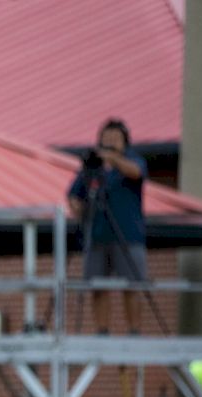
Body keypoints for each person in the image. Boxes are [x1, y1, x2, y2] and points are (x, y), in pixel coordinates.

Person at [67, 118, 149, 335]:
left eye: (115, 138)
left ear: (125, 141)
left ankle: (134, 329)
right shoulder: (93, 167)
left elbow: (136, 172)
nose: (110, 142)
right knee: (97, 285)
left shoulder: (132, 161)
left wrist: (113, 159)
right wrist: (78, 208)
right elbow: (74, 194)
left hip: (128, 236)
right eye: (106, 137)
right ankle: (102, 329)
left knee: (131, 285)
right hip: (97, 235)